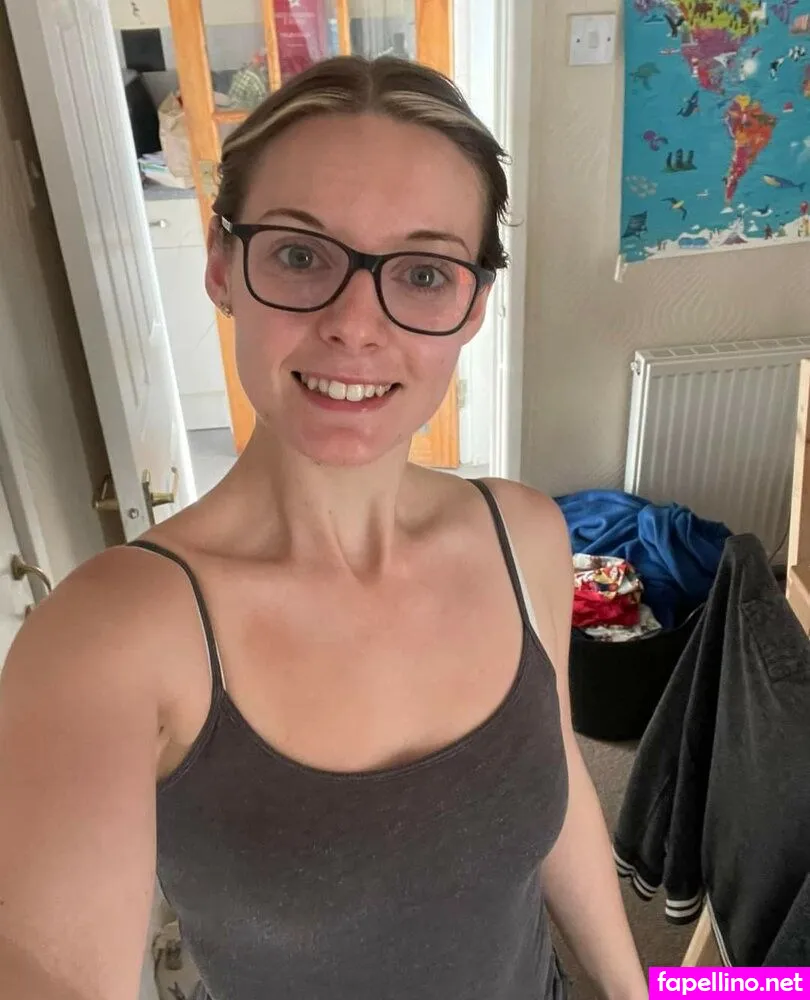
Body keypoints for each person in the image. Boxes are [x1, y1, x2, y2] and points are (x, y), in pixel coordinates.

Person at [0, 56, 647, 1000]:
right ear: (223, 267)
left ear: (471, 306)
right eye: (301, 255)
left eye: (422, 273)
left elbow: (563, 802)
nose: (355, 325)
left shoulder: (526, 538)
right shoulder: (109, 637)